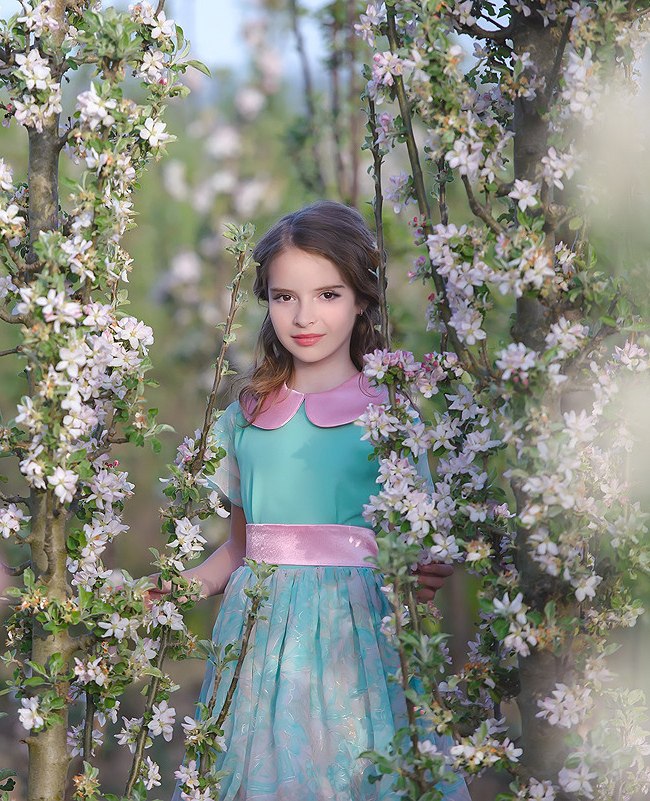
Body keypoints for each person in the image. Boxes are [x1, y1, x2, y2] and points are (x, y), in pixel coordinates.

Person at [153, 202, 469, 801]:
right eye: (284, 296)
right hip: (259, 645)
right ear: (266, 302)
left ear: (361, 302)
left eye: (327, 295)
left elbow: (418, 549)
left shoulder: (390, 414)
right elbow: (239, 553)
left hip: (358, 640)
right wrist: (173, 586)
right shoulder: (244, 418)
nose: (304, 317)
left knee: (360, 773)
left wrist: (425, 572)